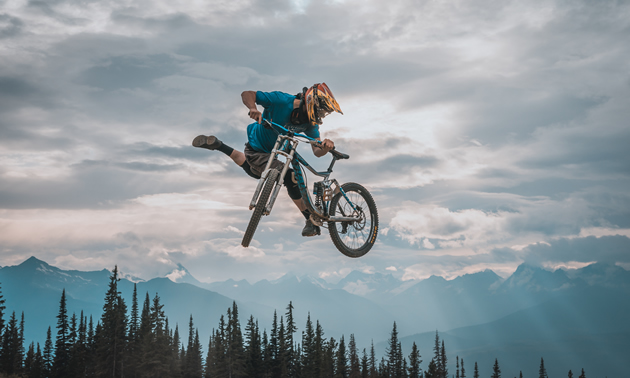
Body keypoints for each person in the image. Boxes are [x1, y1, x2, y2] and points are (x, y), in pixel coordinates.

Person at [192, 83, 343, 237]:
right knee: (289, 176)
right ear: (313, 102)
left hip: (272, 152)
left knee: (254, 172)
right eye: (322, 111)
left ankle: (219, 145)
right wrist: (253, 109)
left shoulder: (310, 124)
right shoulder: (282, 101)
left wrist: (326, 146)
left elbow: (317, 150)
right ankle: (309, 219)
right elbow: (248, 93)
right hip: (257, 148)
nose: (322, 115)